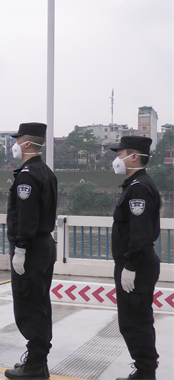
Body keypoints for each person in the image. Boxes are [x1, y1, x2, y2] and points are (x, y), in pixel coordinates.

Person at [4, 123, 57, 380]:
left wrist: (21, 248)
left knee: (29, 304)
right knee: (40, 302)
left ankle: (35, 364)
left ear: (26, 144)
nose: (14, 144)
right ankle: (39, 359)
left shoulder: (27, 175)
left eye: (18, 140)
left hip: (32, 247)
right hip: (44, 245)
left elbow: (26, 215)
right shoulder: (45, 171)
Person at [109, 136, 160, 380]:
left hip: (136, 264)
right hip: (134, 262)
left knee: (135, 321)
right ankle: (143, 370)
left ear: (134, 156)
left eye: (120, 154)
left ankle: (145, 373)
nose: (117, 158)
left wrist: (130, 265)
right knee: (132, 320)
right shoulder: (135, 184)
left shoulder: (139, 187)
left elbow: (139, 233)